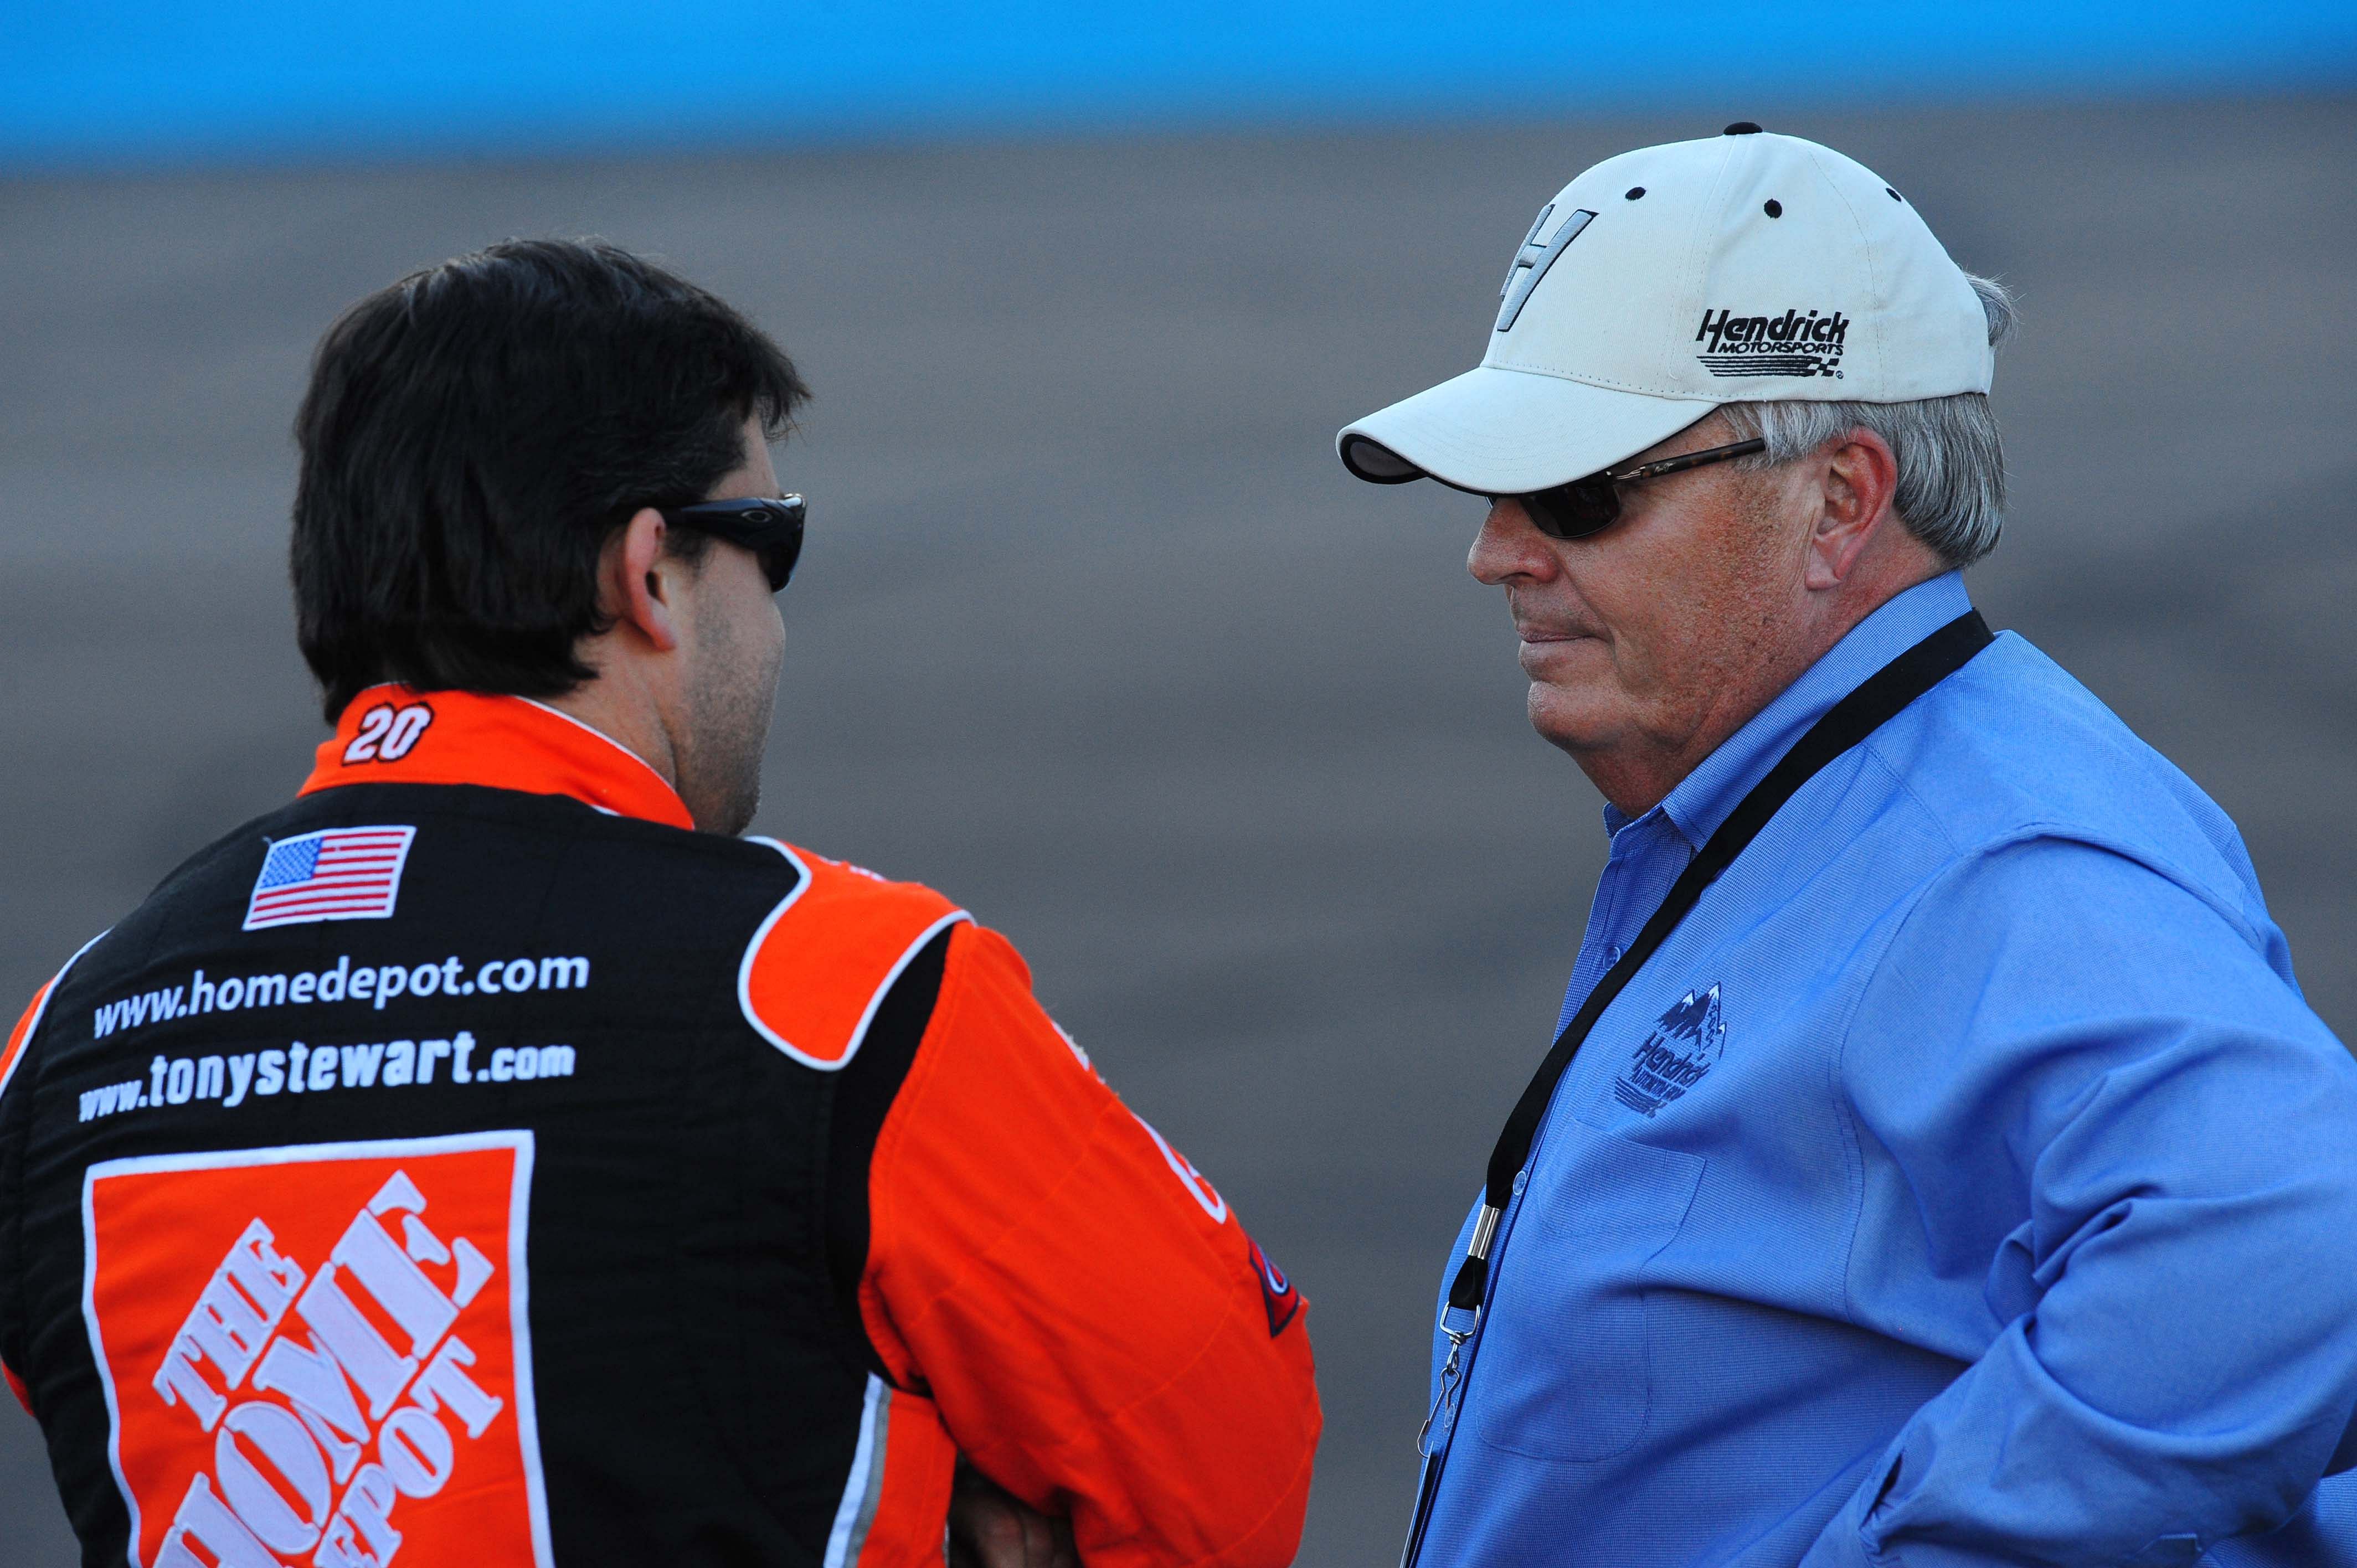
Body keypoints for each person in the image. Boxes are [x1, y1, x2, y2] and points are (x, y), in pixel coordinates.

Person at [0, 239, 1319, 1568]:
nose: (778, 614)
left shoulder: (56, 1050)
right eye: (771, 539)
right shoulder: (844, 991)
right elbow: (1224, 1473)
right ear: (647, 573)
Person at [1334, 126, 2357, 1566]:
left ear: (1842, 499)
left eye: (1580, 493)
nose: (1497, 551)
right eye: (1494, 489)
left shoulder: (1998, 859)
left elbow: (2299, 1229)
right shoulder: (1827, 797)